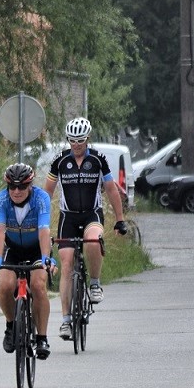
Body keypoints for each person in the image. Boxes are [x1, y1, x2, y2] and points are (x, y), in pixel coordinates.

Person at [43, 117, 128, 340]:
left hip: (92, 214)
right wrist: (41, 223)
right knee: (66, 263)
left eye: (80, 140)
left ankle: (95, 283)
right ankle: (65, 321)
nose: (76, 144)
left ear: (87, 139)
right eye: (72, 140)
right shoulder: (60, 161)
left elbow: (111, 189)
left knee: (93, 241)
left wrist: (120, 219)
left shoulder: (98, 160)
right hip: (68, 218)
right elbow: (47, 192)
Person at [0, 163, 56, 361]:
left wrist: (45, 258)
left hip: (37, 249)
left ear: (30, 185)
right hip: (13, 248)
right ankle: (11, 325)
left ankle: (42, 337)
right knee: (5, 285)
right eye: (12, 186)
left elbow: (44, 230)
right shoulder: (2, 199)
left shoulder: (41, 198)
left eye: (22, 186)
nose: (16, 191)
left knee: (38, 285)